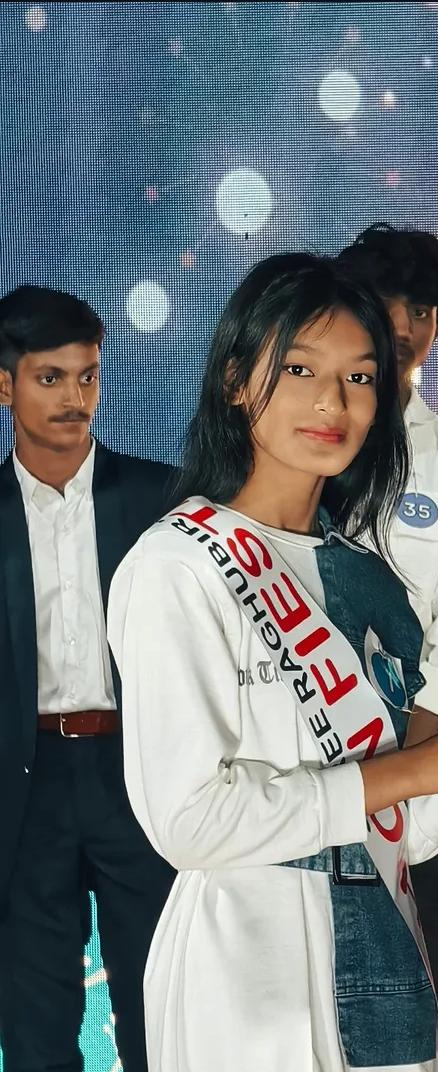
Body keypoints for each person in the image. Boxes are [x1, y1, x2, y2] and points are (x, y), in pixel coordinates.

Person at [106, 252, 438, 1072]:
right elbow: (189, 822)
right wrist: (424, 767)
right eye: (298, 369)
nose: (332, 403)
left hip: (385, 949)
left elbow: (398, 826)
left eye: (360, 378)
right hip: (245, 967)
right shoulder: (176, 565)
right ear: (234, 380)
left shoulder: (368, 578)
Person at [0, 285, 175, 1072]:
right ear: (4, 384)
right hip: (22, 787)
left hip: (135, 775)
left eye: (89, 377)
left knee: (161, 1008)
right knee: (35, 1024)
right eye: (51, 379)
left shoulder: (162, 500)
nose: (76, 399)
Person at [336, 224, 438, 1034]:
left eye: (425, 308)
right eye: (387, 303)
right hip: (294, 785)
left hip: (419, 793)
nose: (406, 325)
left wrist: (406, 789)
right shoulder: (298, 439)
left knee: (410, 1028)